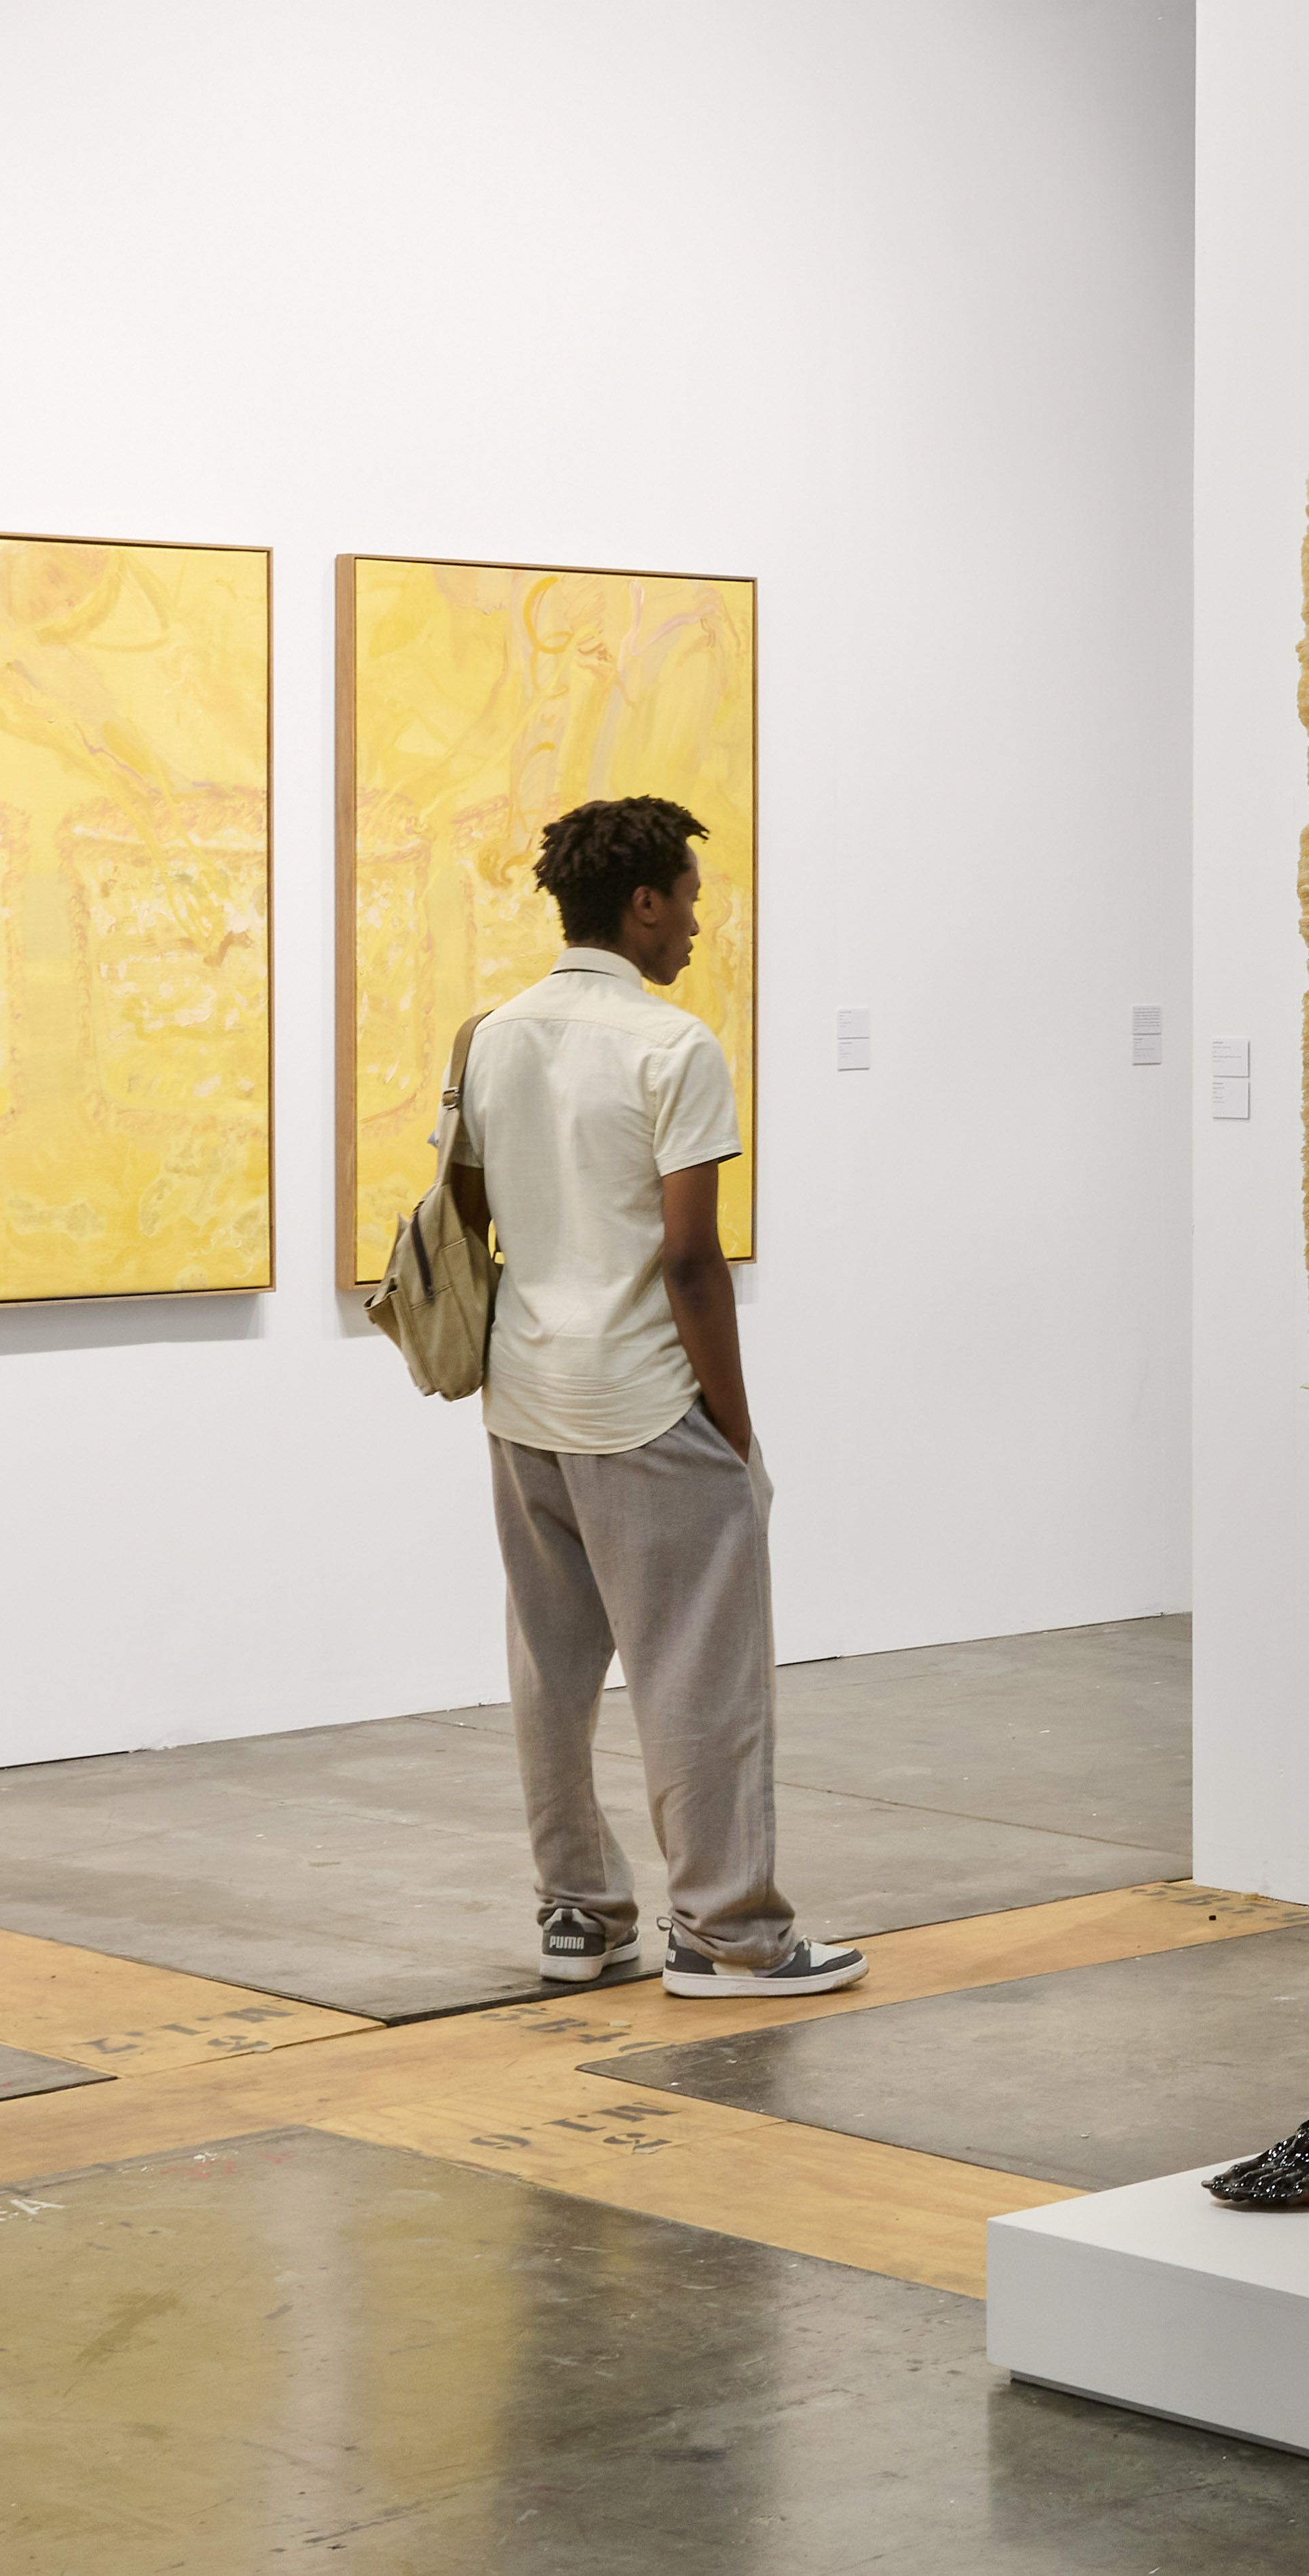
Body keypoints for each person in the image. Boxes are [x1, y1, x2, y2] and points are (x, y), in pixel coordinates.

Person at [443, 794, 863, 1999]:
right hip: (641, 1399)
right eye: (686, 896)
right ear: (642, 902)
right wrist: (734, 1423)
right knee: (699, 1673)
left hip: (523, 1396)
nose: (694, 920)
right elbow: (690, 1259)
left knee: (550, 1666)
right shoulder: (673, 1046)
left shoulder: (494, 1037)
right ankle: (731, 1933)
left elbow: (474, 1216)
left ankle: (578, 1914)